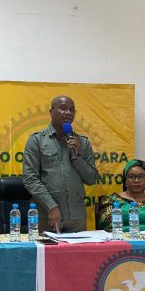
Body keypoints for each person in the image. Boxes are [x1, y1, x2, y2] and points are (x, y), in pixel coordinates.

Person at [23, 95, 98, 233]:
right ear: (51, 112)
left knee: (80, 249)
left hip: (77, 217)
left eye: (72, 110)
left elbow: (92, 179)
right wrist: (51, 206)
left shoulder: (83, 142)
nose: (68, 113)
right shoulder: (36, 140)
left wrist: (77, 156)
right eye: (63, 108)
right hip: (47, 215)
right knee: (45, 248)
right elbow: (30, 179)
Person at [98, 159, 145, 232]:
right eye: (131, 177)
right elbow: (105, 229)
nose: (136, 180)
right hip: (120, 239)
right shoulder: (112, 201)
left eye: (140, 176)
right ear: (125, 180)